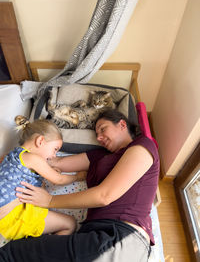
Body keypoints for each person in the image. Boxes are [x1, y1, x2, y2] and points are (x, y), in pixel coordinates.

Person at [0, 109, 160, 262]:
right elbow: (55, 161)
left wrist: (50, 201)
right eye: (96, 134)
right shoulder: (99, 156)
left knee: (9, 255)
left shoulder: (142, 145)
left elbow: (104, 196)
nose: (98, 137)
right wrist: (16, 162)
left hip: (121, 238)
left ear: (122, 125)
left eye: (103, 129)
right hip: (90, 235)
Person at [0, 115, 86, 241]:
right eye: (55, 149)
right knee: (70, 224)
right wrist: (77, 177)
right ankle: (39, 248)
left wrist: (49, 171)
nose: (53, 155)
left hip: (7, 213)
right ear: (40, 141)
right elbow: (59, 180)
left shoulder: (15, 154)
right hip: (11, 217)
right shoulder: (34, 159)